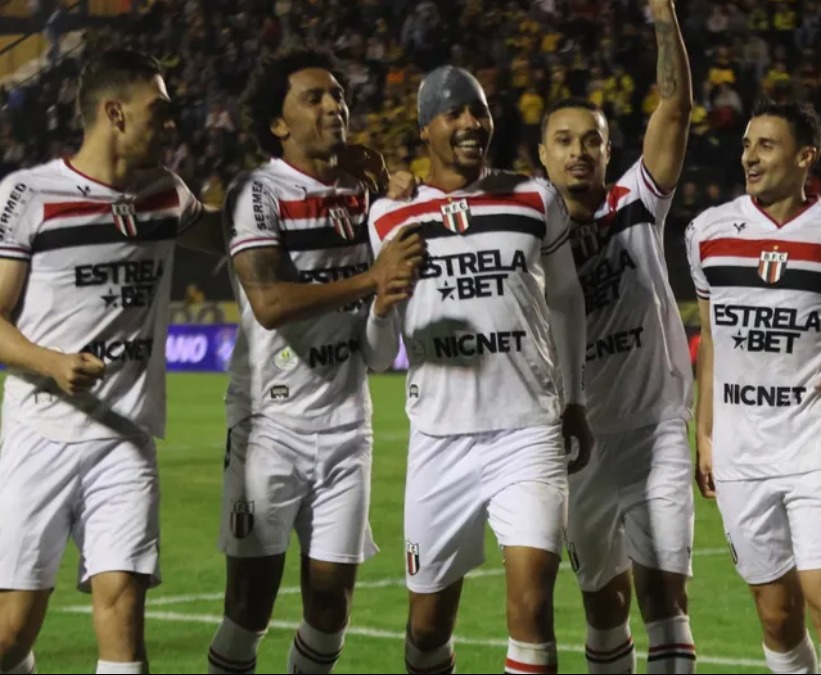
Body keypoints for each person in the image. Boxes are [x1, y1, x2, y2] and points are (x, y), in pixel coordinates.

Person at [362, 65, 592, 675]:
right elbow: (380, 355)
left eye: (479, 111)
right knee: (427, 627)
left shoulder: (535, 197)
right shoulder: (389, 217)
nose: (470, 123)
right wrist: (382, 302)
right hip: (440, 441)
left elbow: (568, 301)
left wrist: (575, 402)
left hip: (528, 432)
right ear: (424, 130)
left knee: (533, 608)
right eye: (454, 113)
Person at [205, 50, 423, 675]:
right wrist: (370, 277)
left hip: (347, 424)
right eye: (314, 98)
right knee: (248, 609)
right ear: (278, 124)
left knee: (331, 608)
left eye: (338, 95)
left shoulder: (364, 194)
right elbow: (270, 302)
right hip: (269, 427)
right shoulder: (258, 192)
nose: (335, 106)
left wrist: (397, 192)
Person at [0, 48, 213, 675]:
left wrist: (343, 199)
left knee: (122, 613)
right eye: (161, 110)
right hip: (40, 433)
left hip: (125, 438)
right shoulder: (28, 196)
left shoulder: (166, 194)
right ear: (115, 113)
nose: (173, 123)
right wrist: (50, 362)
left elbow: (236, 237)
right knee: (11, 634)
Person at [685, 101, 821, 675]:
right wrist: (704, 435)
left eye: (766, 145)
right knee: (775, 616)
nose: (749, 155)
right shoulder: (707, 233)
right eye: (747, 144)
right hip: (742, 451)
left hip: (815, 443)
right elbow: (711, 340)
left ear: (805, 157)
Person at [535, 0, 696, 671]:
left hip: (653, 427)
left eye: (592, 139)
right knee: (604, 606)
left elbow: (676, 107)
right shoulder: (522, 228)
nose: (579, 151)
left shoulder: (635, 199)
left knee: (665, 599)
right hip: (576, 444)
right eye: (565, 140)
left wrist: (664, 17)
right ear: (542, 155)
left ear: (608, 148)